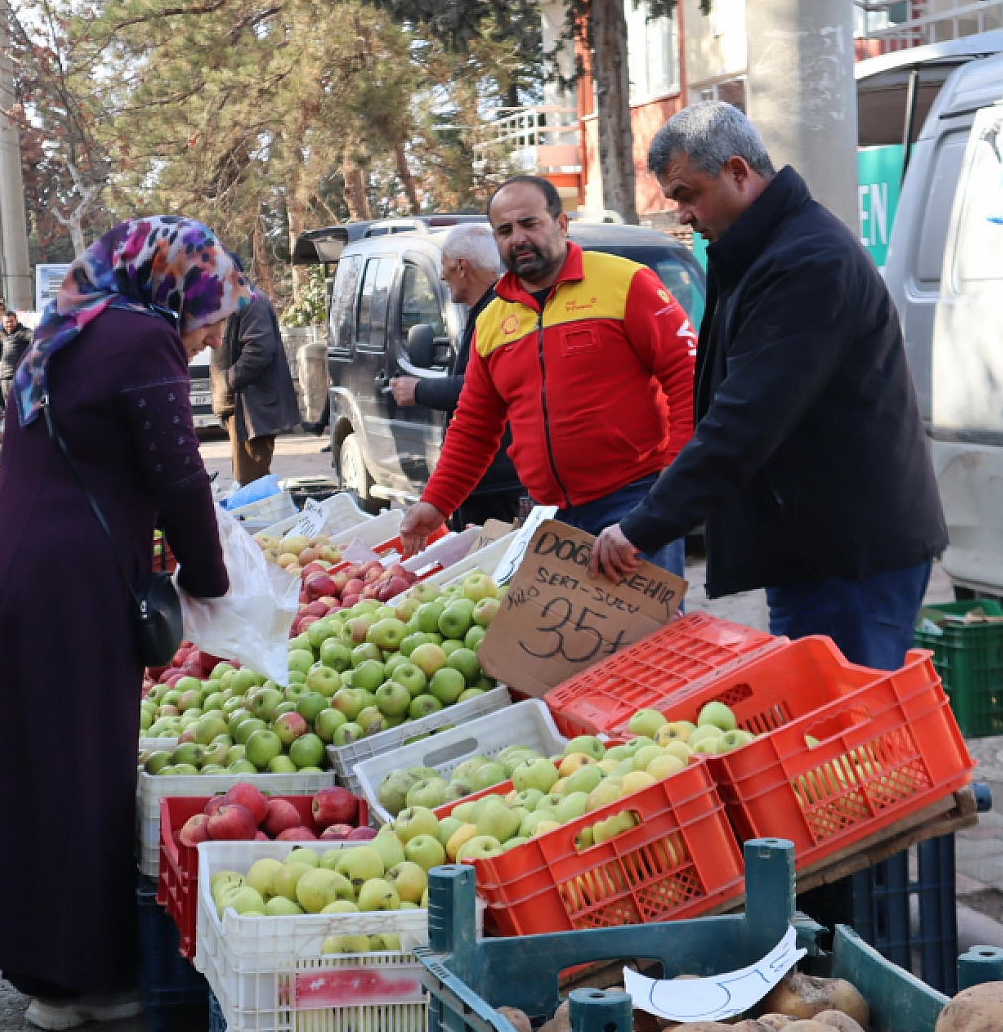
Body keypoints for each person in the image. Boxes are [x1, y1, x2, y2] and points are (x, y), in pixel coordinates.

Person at [0, 216, 241, 1031]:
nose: (210, 337)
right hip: (64, 584)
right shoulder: (143, 342)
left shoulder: (74, 327)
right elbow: (179, 478)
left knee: (23, 764)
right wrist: (211, 584)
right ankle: (74, 981)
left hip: (10, 566)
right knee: (74, 769)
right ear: (177, 287)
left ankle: (41, 967)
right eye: (212, 313)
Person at [590, 103, 947, 671]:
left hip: (847, 555)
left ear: (737, 171)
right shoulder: (764, 252)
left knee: (844, 733)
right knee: (833, 733)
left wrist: (645, 524)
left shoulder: (806, 261)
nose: (683, 215)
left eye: (688, 194)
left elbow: (744, 417)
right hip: (820, 548)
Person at [398, 175, 697, 575]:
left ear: (561, 224)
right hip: (548, 515)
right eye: (504, 230)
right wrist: (436, 503)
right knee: (563, 638)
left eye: (529, 223)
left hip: (634, 500)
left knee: (639, 636)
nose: (517, 238)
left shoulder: (627, 283)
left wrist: (672, 490)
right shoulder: (492, 319)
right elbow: (474, 425)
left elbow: (689, 380)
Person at [387, 222, 523, 529]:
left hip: (495, 477)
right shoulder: (490, 311)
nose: (441, 276)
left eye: (444, 268)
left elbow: (482, 390)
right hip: (482, 476)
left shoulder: (501, 316)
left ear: (462, 267)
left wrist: (420, 389)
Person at [212, 272, 299, 487]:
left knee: (250, 486)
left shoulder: (250, 301)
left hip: (252, 410)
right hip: (243, 407)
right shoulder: (235, 299)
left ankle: (254, 521)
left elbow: (259, 349)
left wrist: (228, 380)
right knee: (245, 482)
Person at [0, 309, 33, 408]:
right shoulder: (1, 335)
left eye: (11, 321)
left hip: (19, 374)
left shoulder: (23, 332)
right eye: (6, 322)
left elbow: (35, 338)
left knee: (21, 404)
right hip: (5, 376)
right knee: (9, 404)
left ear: (16, 321)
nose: (9, 324)